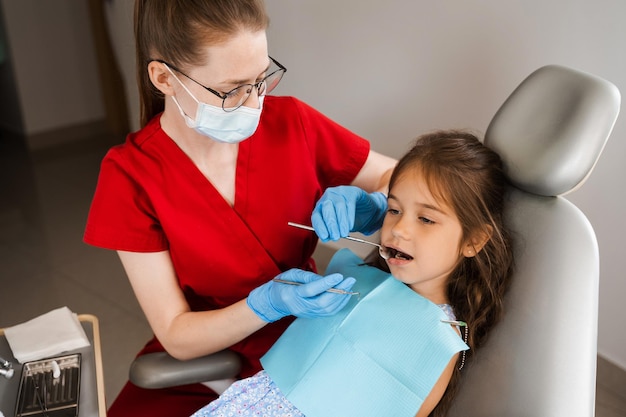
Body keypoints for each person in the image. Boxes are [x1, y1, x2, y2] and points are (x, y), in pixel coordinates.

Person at [83, 1, 396, 416]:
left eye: (260, 80)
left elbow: (394, 177)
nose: (253, 104)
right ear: (164, 78)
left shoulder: (292, 123)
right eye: (231, 90)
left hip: (313, 332)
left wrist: (374, 203)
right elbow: (176, 333)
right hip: (208, 351)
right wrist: (264, 304)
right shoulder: (130, 176)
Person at [190, 130, 515, 417]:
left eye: (426, 219)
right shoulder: (356, 281)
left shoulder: (437, 338)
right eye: (393, 209)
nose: (399, 229)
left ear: (473, 240)